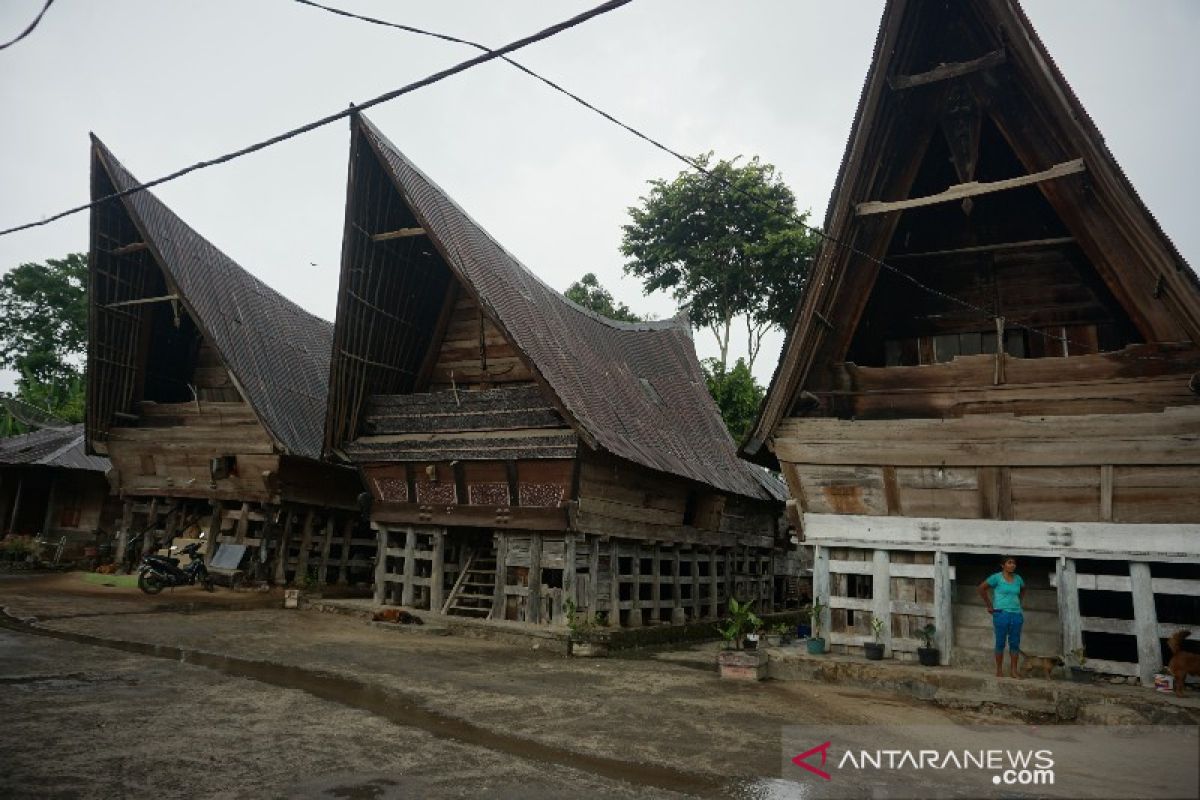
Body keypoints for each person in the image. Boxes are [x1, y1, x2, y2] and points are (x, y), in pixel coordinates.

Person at [978, 556, 1025, 678]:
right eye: (1009, 563)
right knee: (1000, 643)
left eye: (1014, 563)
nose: (1013, 565)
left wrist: (1018, 602)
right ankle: (999, 670)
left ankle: (1014, 671)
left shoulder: (1018, 578)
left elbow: (1023, 590)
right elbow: (981, 588)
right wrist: (989, 605)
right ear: (1002, 565)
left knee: (1015, 643)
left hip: (1016, 614)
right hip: (1001, 614)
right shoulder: (996, 578)